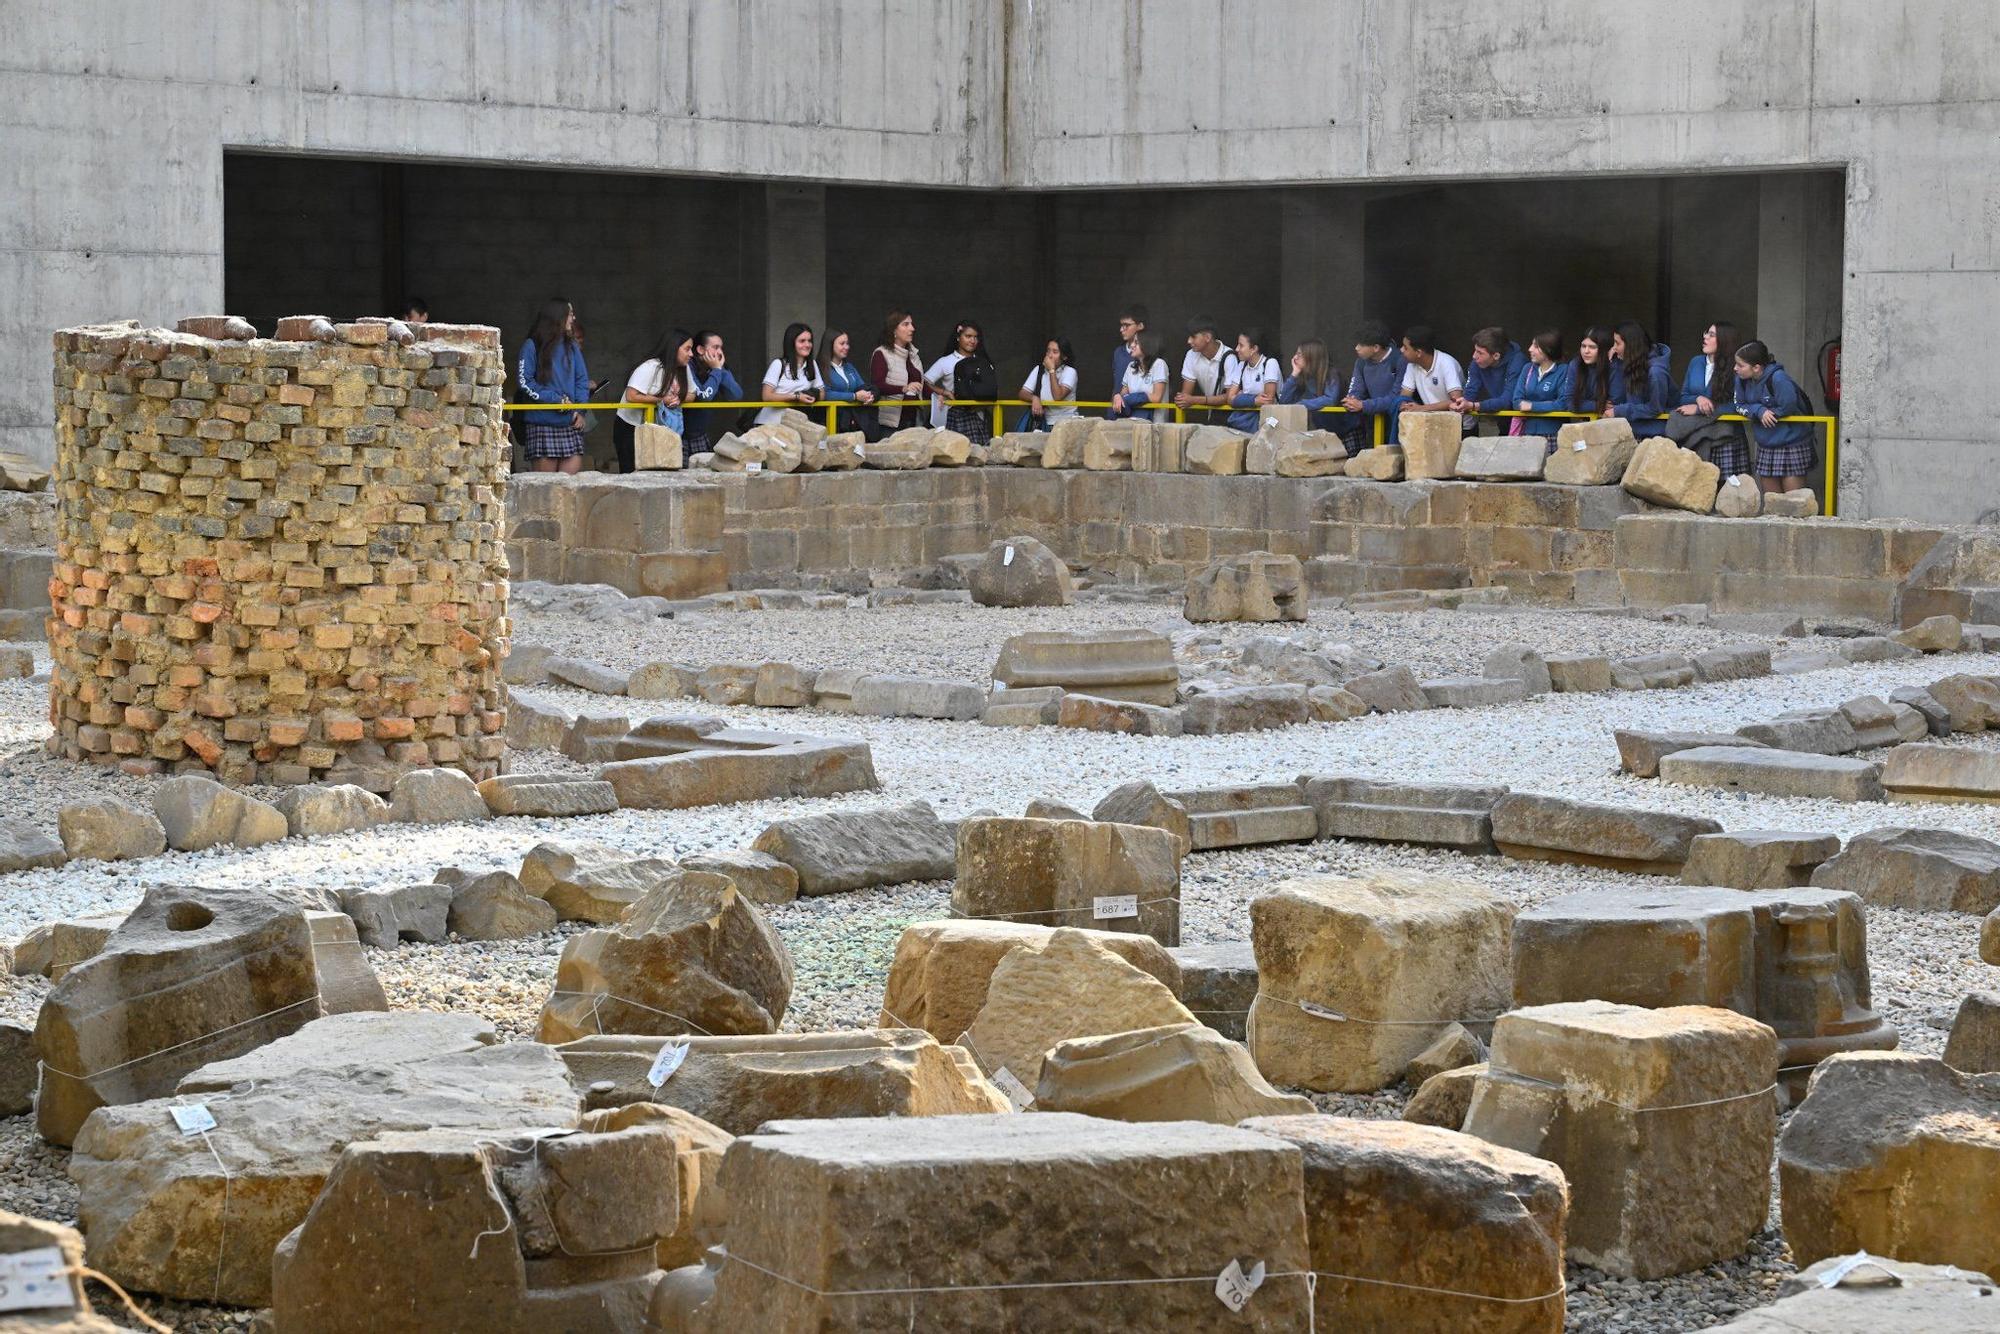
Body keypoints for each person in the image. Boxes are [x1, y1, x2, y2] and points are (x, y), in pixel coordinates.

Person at [1730, 340, 1815, 499]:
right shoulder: (1741, 380)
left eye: (1740, 365)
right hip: (1765, 443)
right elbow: (1739, 404)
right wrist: (1759, 410)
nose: (1735, 369)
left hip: (1791, 442)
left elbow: (1788, 405)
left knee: (1793, 502)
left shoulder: (1778, 378)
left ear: (1756, 367)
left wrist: (1771, 413)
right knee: (1771, 502)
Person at [515, 298, 591, 474]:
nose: (573, 318)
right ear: (558, 317)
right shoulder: (532, 345)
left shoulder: (571, 345)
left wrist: (581, 410)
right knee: (545, 490)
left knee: (570, 488)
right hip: (542, 423)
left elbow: (581, 380)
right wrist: (556, 400)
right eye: (570, 314)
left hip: (570, 423)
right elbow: (525, 382)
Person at [1669, 321, 1748, 476]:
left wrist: (1699, 409)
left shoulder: (1736, 367)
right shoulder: (1696, 362)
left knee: (1730, 491)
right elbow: (1683, 398)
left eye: (1711, 335)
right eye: (1706, 333)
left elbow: (1738, 405)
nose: (1705, 337)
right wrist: (1698, 398)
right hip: (1696, 437)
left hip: (1726, 437)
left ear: (1725, 340)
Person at [614, 328, 691, 472]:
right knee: (631, 474)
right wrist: (661, 399)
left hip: (662, 429)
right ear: (674, 348)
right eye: (687, 349)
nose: (691, 354)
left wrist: (678, 398)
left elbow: (692, 394)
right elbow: (631, 395)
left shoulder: (684, 369)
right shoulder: (650, 367)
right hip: (630, 427)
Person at [926, 320, 996, 445]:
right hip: (955, 416)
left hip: (980, 415)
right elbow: (925, 381)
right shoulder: (945, 361)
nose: (972, 341)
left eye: (975, 337)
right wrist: (943, 392)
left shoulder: (984, 362)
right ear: (958, 337)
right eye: (968, 336)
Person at [1340, 319, 1405, 449]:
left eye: (1361, 345)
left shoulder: (1400, 360)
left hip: (1398, 421)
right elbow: (1357, 388)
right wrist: (1352, 399)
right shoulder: (1361, 362)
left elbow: (1397, 397)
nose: (1356, 348)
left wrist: (1364, 405)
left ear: (1376, 347)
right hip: (1372, 421)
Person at [681, 330, 745, 456]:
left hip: (699, 435)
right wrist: (716, 370)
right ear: (700, 349)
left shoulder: (717, 367)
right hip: (678, 434)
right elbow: (704, 397)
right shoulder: (688, 365)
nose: (720, 352)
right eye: (716, 347)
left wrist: (720, 369)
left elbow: (736, 395)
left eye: (721, 348)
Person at [1606, 321, 1674, 437]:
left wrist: (1619, 411)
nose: (1614, 348)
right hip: (1633, 432)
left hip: (1657, 437)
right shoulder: (1631, 364)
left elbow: (1655, 409)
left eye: (1617, 343)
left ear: (1631, 345)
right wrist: (1616, 363)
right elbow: (1616, 397)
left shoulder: (1656, 372)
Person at [1455, 327, 1527, 433]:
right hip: (1502, 418)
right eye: (1475, 350)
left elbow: (1507, 401)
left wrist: (1474, 406)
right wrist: (1461, 404)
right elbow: (1470, 392)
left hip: (1523, 420)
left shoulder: (1517, 362)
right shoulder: (1476, 363)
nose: (1474, 356)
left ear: (1496, 355)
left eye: (1480, 352)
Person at [869, 309, 927, 438]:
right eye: (906, 324)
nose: (912, 328)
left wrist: (940, 394)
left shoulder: (913, 354)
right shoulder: (881, 353)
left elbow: (920, 384)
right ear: (893, 330)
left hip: (914, 421)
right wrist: (904, 388)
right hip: (891, 425)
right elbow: (877, 386)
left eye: (911, 324)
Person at [757, 322, 823, 425]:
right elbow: (766, 396)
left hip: (796, 424)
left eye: (809, 341)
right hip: (770, 424)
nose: (807, 345)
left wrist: (812, 395)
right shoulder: (778, 364)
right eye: (802, 341)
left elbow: (822, 392)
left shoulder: (812, 364)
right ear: (791, 343)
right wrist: (796, 397)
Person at [1175, 317, 1236, 421]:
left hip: (1232, 417)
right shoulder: (1191, 355)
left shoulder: (1230, 358)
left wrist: (1194, 400)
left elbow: (1230, 397)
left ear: (1207, 337)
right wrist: (1183, 399)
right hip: (1212, 417)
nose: (1189, 341)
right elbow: (1185, 396)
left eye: (1193, 337)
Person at [1514, 329, 1572, 441]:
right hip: (1527, 433)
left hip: (1554, 433)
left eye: (1535, 346)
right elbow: (1517, 401)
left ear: (1548, 350)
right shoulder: (1527, 368)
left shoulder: (1564, 370)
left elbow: (1562, 403)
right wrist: (1549, 404)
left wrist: (1532, 406)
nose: (1530, 349)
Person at [1222, 327, 1282, 432]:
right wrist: (1254, 400)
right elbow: (1230, 399)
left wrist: (1240, 397)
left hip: (1270, 425)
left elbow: (1267, 401)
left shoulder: (1270, 363)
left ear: (1254, 349)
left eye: (1241, 345)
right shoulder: (1241, 366)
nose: (1236, 349)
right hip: (1248, 423)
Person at [1278, 338, 1342, 432]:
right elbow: (1284, 401)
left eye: (1299, 354)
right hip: (1322, 430)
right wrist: (1294, 374)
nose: (1295, 357)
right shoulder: (1304, 376)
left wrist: (1303, 404)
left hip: (1344, 429)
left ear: (1311, 356)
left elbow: (1330, 399)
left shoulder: (1331, 374)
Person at [821, 328, 875, 436]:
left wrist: (869, 395)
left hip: (851, 423)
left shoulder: (849, 367)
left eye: (847, 343)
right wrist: (854, 396)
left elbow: (862, 386)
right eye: (842, 344)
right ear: (830, 345)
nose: (846, 347)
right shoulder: (820, 367)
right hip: (830, 423)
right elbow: (825, 394)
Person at [1398, 325, 1464, 412]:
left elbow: (1457, 401)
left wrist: (1421, 408)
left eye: (1405, 348)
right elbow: (1404, 396)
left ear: (1418, 353)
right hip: (1433, 419)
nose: (1401, 350)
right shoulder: (1412, 365)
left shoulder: (1447, 363)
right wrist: (1404, 405)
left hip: (1459, 422)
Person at [1021, 337, 1078, 431]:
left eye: (1055, 352)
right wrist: (1034, 398)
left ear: (1064, 357)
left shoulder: (1070, 372)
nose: (1050, 355)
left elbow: (1057, 396)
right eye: (1048, 351)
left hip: (1065, 424)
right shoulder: (1039, 370)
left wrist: (1052, 370)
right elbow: (1022, 393)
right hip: (1044, 423)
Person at [1109, 333, 1169, 421]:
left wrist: (1134, 398)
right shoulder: (1131, 366)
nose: (1132, 345)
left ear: (1148, 345)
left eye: (1136, 342)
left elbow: (1156, 397)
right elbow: (1124, 394)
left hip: (1155, 423)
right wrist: (1118, 396)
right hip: (1133, 421)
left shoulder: (1159, 363)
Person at [1566, 325, 1617, 420]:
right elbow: (1569, 403)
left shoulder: (1614, 366)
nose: (1586, 351)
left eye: (1592, 347)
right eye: (1583, 346)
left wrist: (1583, 404)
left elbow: (1614, 405)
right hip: (1584, 426)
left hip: (1610, 425)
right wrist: (1598, 405)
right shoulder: (1575, 364)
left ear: (1604, 349)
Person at [1111, 305, 1148, 410]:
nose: (1121, 329)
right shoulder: (1118, 352)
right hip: (1118, 411)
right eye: (1121, 325)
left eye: (1126, 325)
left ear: (1140, 326)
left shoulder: (1153, 356)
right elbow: (1117, 385)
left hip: (1142, 415)